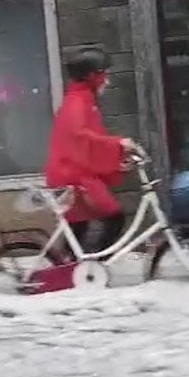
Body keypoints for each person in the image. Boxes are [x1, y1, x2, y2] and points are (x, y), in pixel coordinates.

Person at [43, 48, 138, 256]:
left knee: (79, 227)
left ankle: (76, 268)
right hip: (73, 177)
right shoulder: (78, 101)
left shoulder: (81, 100)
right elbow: (81, 135)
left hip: (71, 174)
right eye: (103, 75)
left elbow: (89, 146)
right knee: (114, 216)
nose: (107, 81)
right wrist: (119, 143)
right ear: (91, 76)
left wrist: (116, 163)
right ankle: (97, 264)